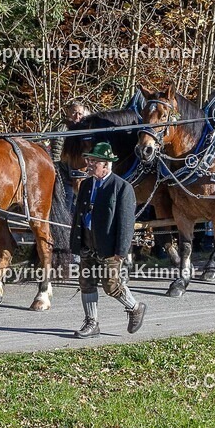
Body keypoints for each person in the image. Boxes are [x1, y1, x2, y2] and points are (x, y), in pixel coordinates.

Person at [69, 142, 147, 338]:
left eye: (93, 161)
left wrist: (121, 251)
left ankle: (135, 307)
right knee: (86, 282)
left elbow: (126, 223)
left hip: (109, 247)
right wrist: (75, 243)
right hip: (87, 242)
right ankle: (92, 323)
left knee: (111, 285)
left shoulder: (122, 188)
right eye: (89, 160)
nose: (88, 164)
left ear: (106, 164)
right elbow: (78, 214)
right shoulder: (86, 185)